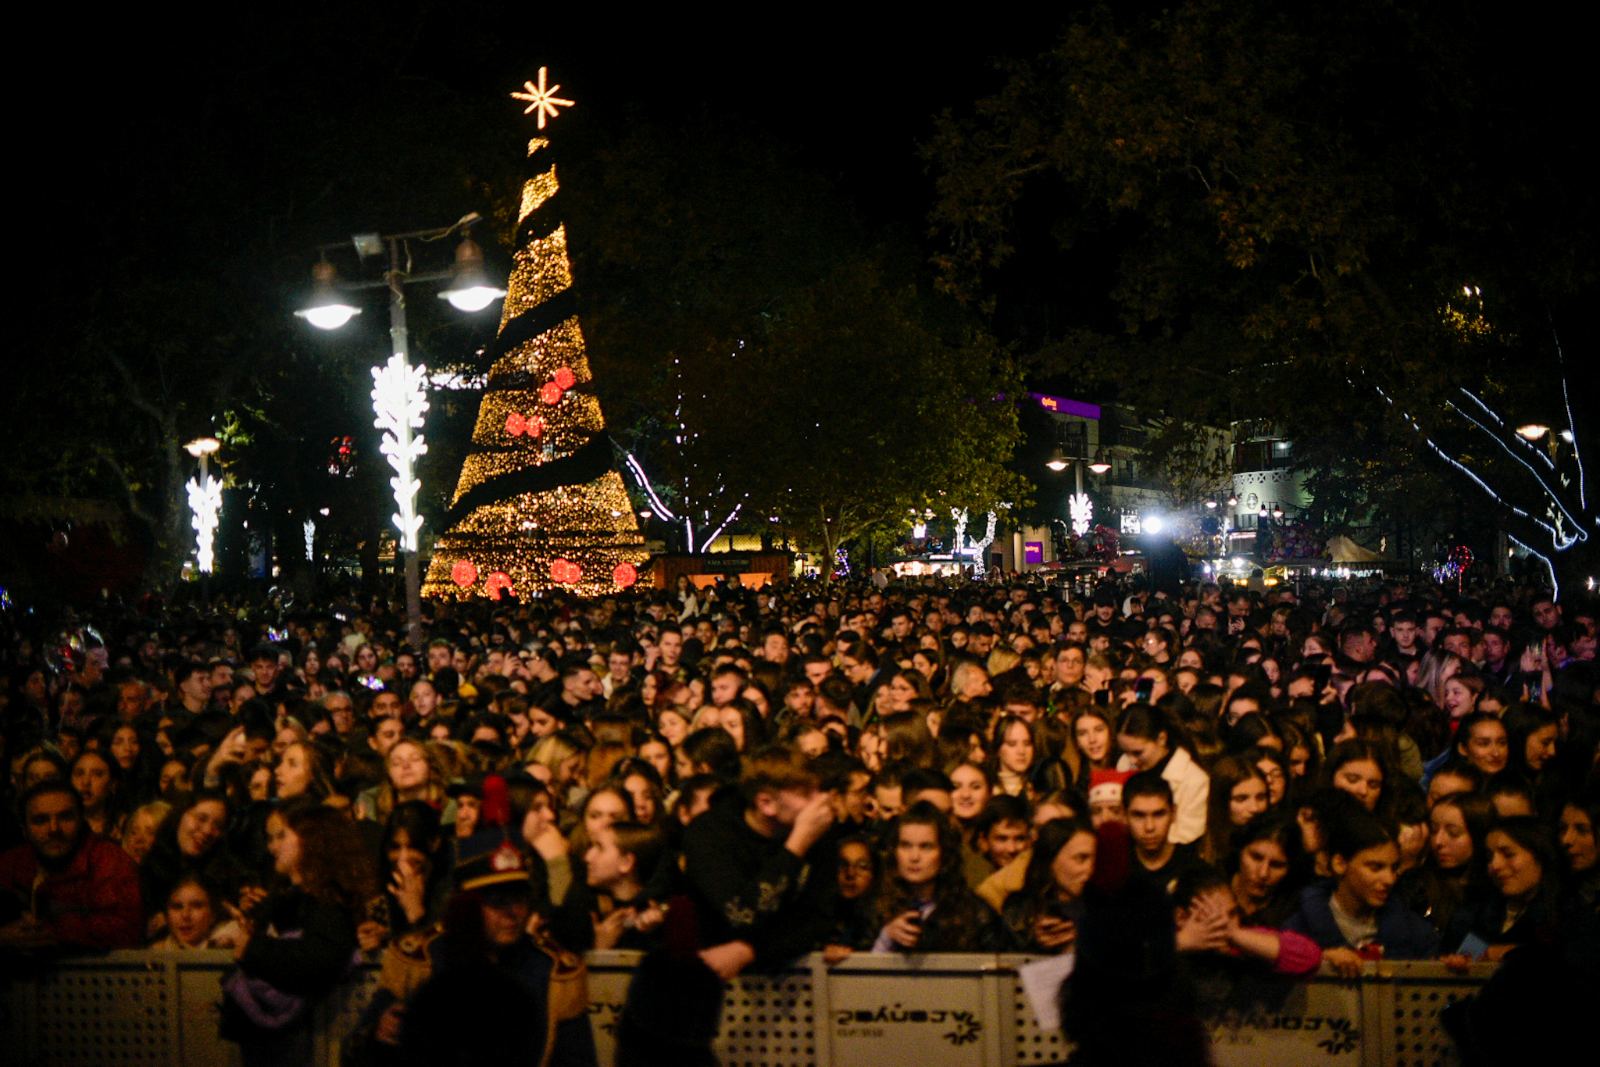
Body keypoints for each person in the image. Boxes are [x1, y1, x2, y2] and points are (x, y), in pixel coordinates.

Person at [221, 800, 378, 1064]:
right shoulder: (291, 898)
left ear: (311, 840)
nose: (273, 847)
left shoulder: (328, 901)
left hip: (298, 1041)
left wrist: (253, 948)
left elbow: (320, 958)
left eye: (283, 835)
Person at [1283, 804, 1438, 970]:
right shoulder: (1298, 931)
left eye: (1394, 868)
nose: (1389, 879)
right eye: (1375, 867)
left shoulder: (1417, 934)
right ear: (1340, 863)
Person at [0, 779, 142, 952]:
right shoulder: (11, 863)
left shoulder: (109, 860)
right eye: (40, 820)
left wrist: (52, 929)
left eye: (65, 817)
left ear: (81, 820)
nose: (54, 829)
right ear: (24, 829)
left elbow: (128, 927)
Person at [873, 801, 1013, 952]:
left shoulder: (976, 915)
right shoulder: (875, 909)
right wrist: (886, 938)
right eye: (906, 846)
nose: (914, 857)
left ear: (944, 853)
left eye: (926, 847)